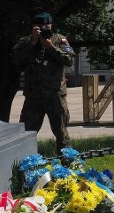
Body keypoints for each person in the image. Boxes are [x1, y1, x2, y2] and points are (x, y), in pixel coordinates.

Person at [12, 12, 74, 152]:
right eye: (40, 27)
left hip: (55, 94)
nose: (44, 29)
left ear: (51, 25)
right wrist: (32, 42)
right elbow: (16, 60)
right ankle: (25, 162)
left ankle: (68, 163)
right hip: (34, 96)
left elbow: (70, 60)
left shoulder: (60, 40)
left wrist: (51, 48)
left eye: (47, 26)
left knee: (61, 132)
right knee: (27, 131)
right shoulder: (26, 42)